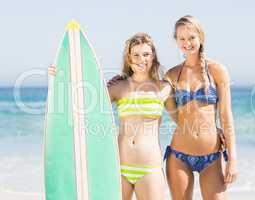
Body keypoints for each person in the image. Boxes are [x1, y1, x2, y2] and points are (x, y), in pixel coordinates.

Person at [49, 33, 177, 200]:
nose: (141, 59)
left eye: (146, 54)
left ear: (153, 56)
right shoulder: (118, 87)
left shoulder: (164, 88)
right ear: (129, 58)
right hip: (119, 166)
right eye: (136, 55)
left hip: (149, 166)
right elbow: (82, 107)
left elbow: (181, 121)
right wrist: (59, 76)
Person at [163, 15, 238, 200]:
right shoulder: (172, 75)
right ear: (176, 41)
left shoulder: (217, 70)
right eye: (181, 38)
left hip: (211, 157)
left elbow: (226, 116)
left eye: (191, 37)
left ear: (200, 38)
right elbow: (174, 115)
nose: (187, 43)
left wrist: (233, 158)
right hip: (178, 156)